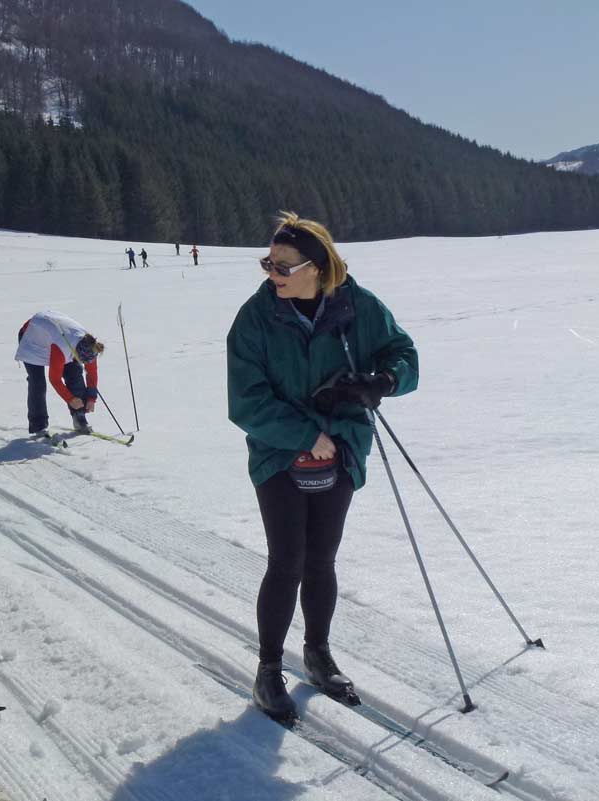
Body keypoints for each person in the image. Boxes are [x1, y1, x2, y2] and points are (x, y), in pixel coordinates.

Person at [226, 213, 418, 721]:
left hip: (344, 446)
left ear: (317, 267)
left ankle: (318, 654)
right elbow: (245, 401)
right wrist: (305, 436)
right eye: (268, 263)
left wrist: (382, 382)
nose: (272, 274)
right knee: (287, 559)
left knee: (321, 559)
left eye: (283, 266)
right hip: (277, 452)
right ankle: (268, 671)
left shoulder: (359, 307)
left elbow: (403, 353)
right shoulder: (256, 317)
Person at [16, 311, 104, 436]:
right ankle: (39, 426)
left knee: (75, 374)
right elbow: (55, 379)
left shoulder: (90, 346)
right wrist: (70, 399)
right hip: (32, 337)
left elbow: (91, 372)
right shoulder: (61, 349)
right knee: (38, 382)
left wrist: (91, 398)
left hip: (55, 337)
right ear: (76, 353)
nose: (85, 363)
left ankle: (79, 417)